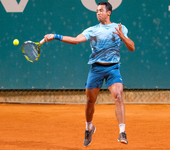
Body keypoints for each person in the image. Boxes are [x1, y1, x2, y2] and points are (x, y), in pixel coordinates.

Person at [44, 1, 135, 147]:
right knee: (90, 102)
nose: (98, 13)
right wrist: (55, 36)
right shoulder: (92, 30)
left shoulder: (120, 28)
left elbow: (132, 48)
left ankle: (122, 132)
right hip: (96, 69)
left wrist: (122, 36)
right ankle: (89, 128)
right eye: (97, 10)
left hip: (113, 69)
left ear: (108, 12)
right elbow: (75, 40)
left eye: (101, 10)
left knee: (118, 96)